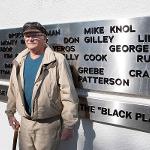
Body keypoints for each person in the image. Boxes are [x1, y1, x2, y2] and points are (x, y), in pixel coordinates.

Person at [5, 22, 79, 150]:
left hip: (48, 126)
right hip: (25, 124)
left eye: (35, 34)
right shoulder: (19, 60)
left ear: (44, 37)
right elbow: (13, 89)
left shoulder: (57, 60)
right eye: (27, 35)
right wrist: (10, 113)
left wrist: (68, 125)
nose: (30, 38)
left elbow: (68, 93)